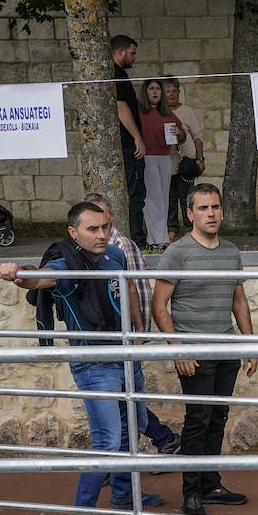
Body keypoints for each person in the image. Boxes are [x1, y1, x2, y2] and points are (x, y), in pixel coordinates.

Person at [0, 202, 165, 515]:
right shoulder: (64, 264)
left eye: (104, 227)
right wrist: (15, 271)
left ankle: (122, 494)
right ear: (74, 233)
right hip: (93, 364)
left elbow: (124, 290)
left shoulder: (116, 256)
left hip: (124, 355)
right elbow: (36, 275)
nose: (101, 234)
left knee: (132, 425)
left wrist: (135, 326)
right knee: (106, 442)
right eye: (92, 229)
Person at [152, 183, 256, 515]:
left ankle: (211, 484)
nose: (210, 214)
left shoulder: (230, 251)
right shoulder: (178, 252)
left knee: (218, 418)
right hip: (194, 353)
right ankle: (191, 492)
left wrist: (249, 343)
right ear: (189, 214)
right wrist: (177, 348)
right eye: (203, 208)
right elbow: (159, 305)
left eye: (215, 207)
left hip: (226, 349)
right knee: (197, 421)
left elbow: (239, 301)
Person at [84, 192, 181, 457]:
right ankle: (157, 442)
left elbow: (136, 290)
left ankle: (127, 461)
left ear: (112, 217)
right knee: (121, 401)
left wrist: (138, 333)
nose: (100, 225)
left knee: (123, 402)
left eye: (103, 217)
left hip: (124, 337)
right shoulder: (101, 246)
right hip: (115, 337)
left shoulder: (119, 247)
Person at [138, 78, 186, 251]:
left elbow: (182, 135)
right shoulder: (139, 112)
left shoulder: (166, 112)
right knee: (153, 198)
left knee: (163, 197)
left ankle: (160, 237)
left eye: (158, 88)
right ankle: (156, 238)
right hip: (147, 157)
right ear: (146, 92)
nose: (155, 92)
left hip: (164, 156)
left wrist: (178, 132)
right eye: (151, 88)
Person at [111, 34, 147, 247]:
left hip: (124, 144)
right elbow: (121, 107)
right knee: (135, 194)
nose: (134, 58)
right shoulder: (117, 74)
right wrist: (138, 138)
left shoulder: (117, 73)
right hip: (127, 145)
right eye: (132, 53)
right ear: (121, 51)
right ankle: (137, 240)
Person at [163, 77, 204, 238]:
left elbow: (197, 137)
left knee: (186, 196)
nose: (172, 94)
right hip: (167, 160)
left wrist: (200, 159)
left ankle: (189, 227)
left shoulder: (187, 111)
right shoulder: (159, 113)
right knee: (169, 196)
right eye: (168, 91)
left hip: (186, 161)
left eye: (174, 91)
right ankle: (171, 227)